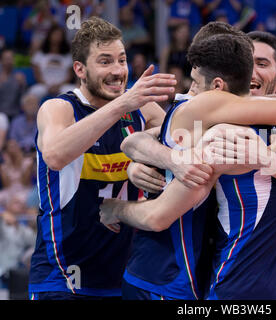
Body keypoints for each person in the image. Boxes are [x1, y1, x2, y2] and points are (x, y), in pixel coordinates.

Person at [99, 30, 276, 300]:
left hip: (200, 275)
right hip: (166, 277)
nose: (188, 92)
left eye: (194, 83)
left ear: (216, 87)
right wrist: (119, 202)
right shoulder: (212, 129)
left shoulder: (225, 117)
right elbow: (154, 206)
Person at [27, 17, 177, 300]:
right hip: (61, 277)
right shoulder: (59, 108)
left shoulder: (140, 108)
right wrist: (123, 103)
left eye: (122, 60)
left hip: (122, 275)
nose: (118, 70)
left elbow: (185, 137)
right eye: (105, 62)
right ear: (80, 70)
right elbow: (56, 155)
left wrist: (145, 156)